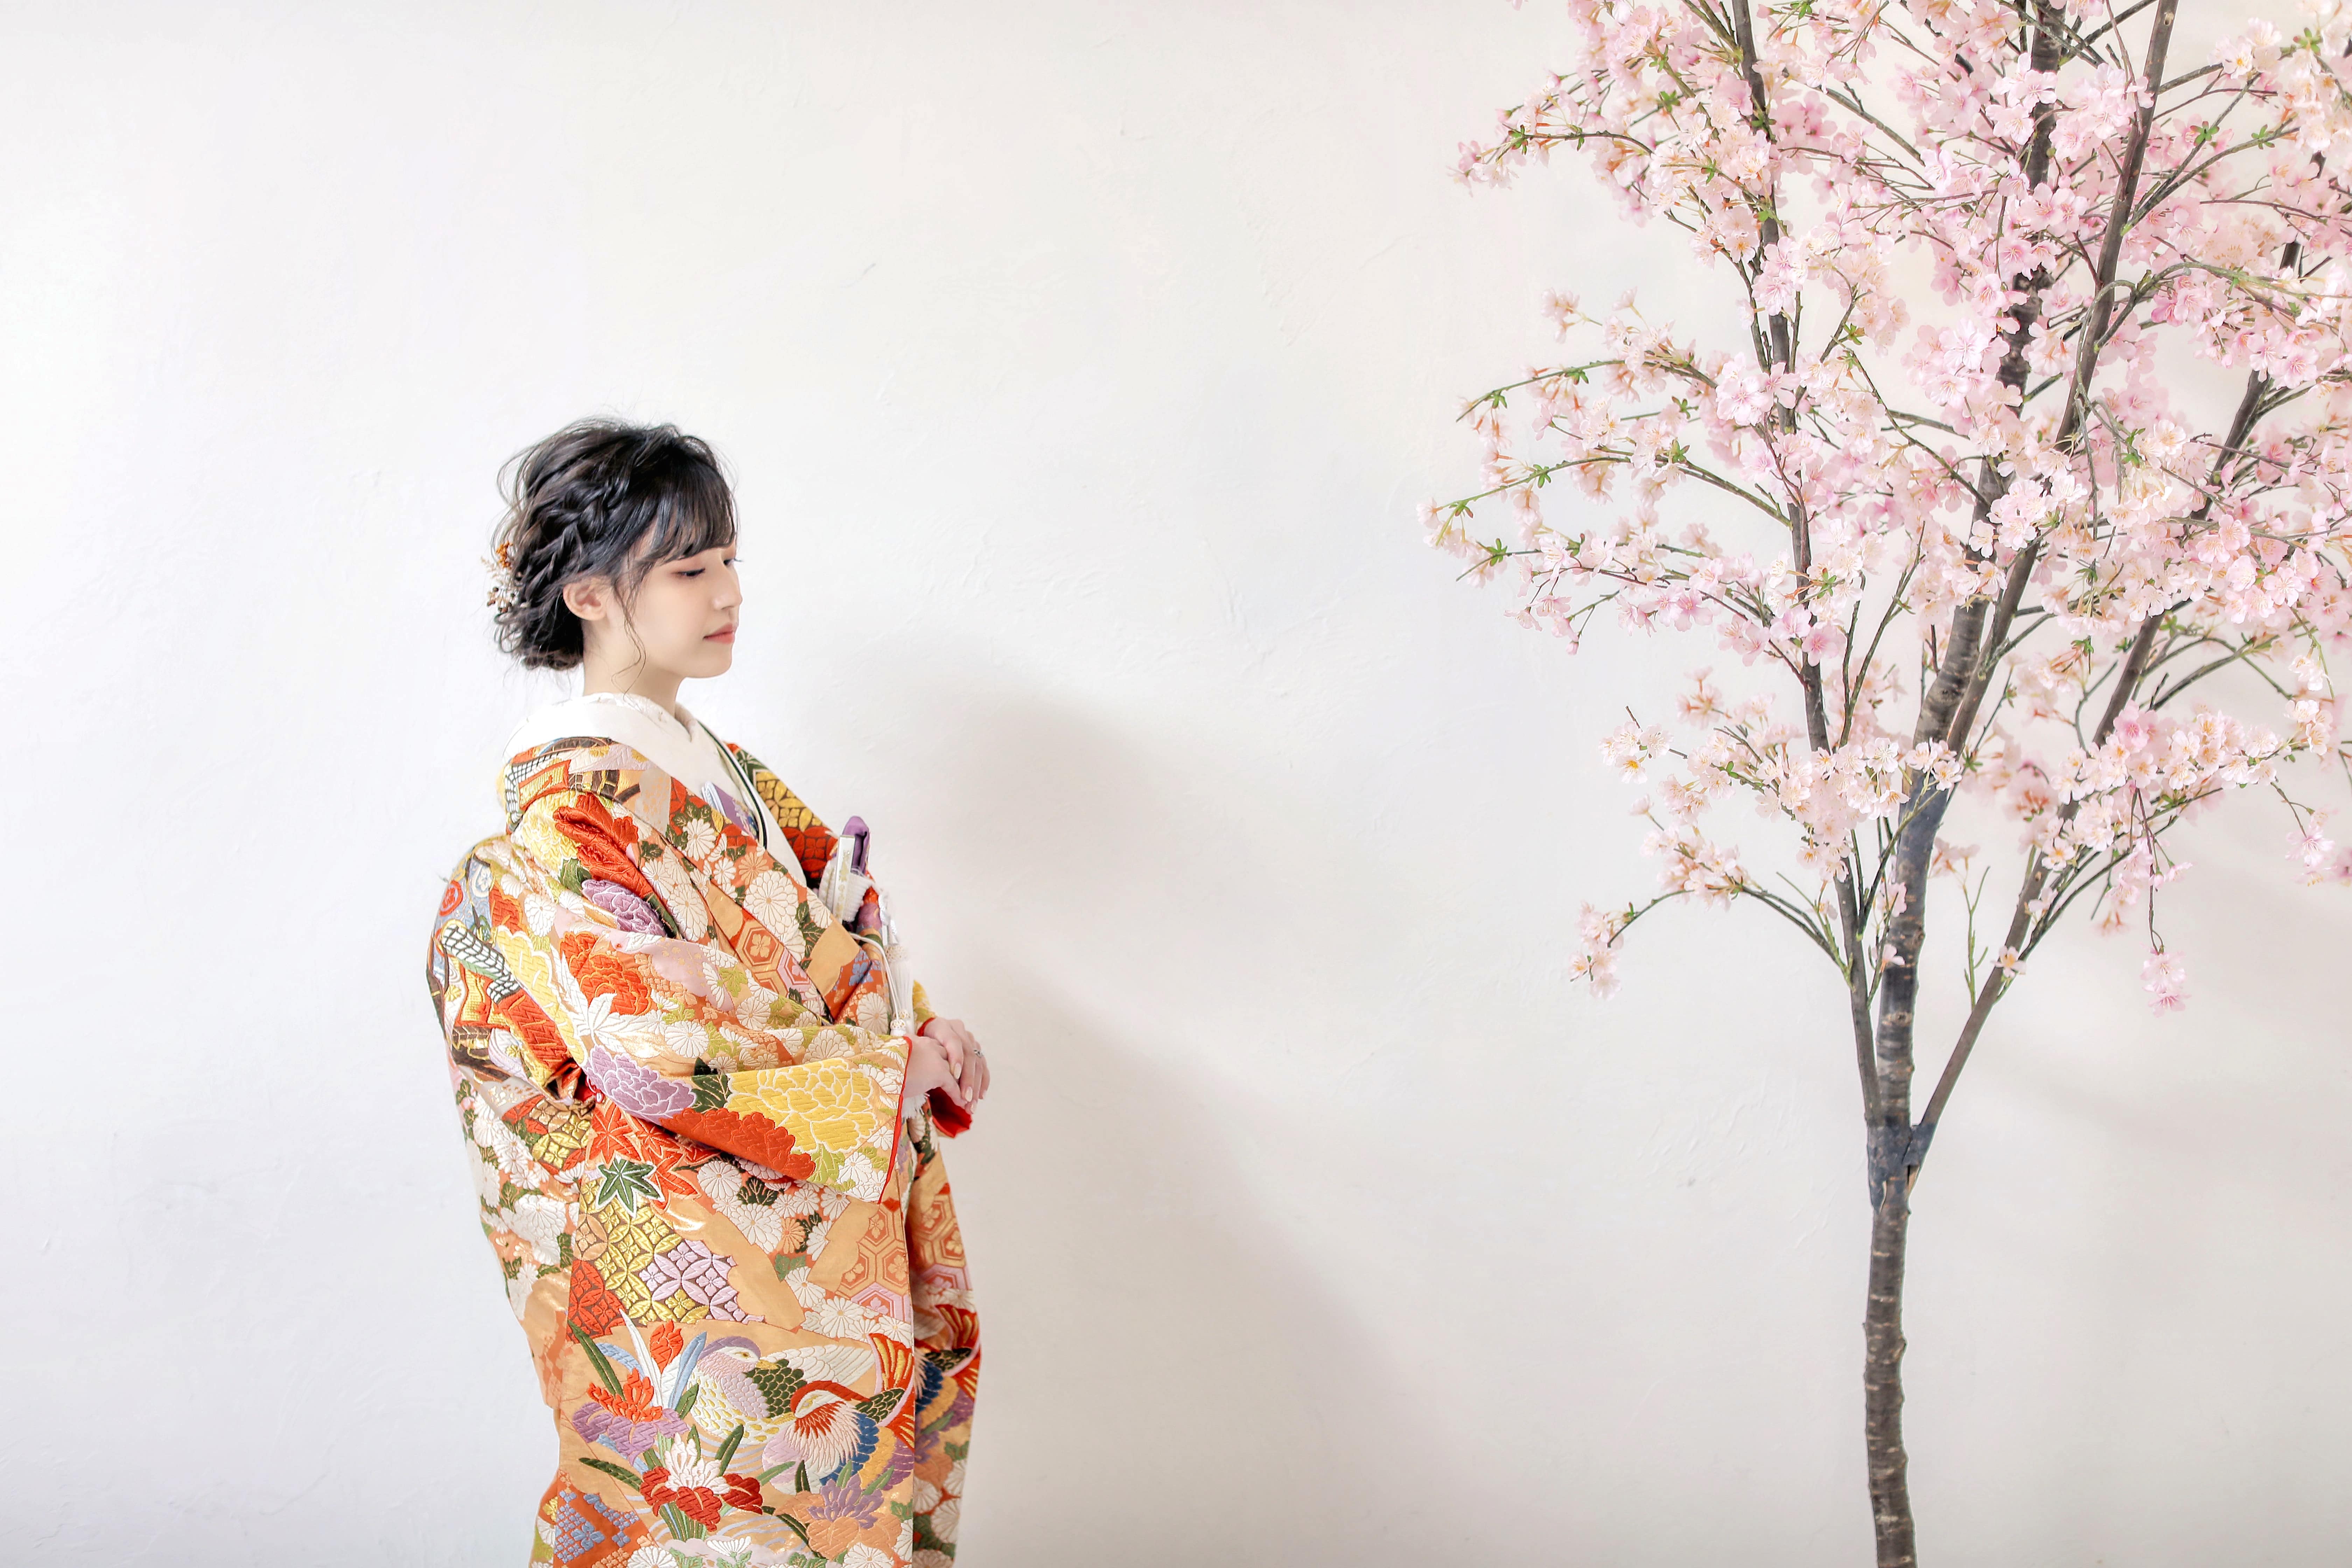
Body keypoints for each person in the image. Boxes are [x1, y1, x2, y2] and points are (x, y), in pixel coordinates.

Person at [424, 419, 986, 1567]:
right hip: (711, 1250)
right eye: (689, 569)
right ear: (589, 594)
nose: (729, 592)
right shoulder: (573, 803)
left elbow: (816, 949)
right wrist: (885, 1072)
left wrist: (920, 1027)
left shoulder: (718, 767)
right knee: (719, 1514)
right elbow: (652, 1041)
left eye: (729, 558)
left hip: (813, 1209)